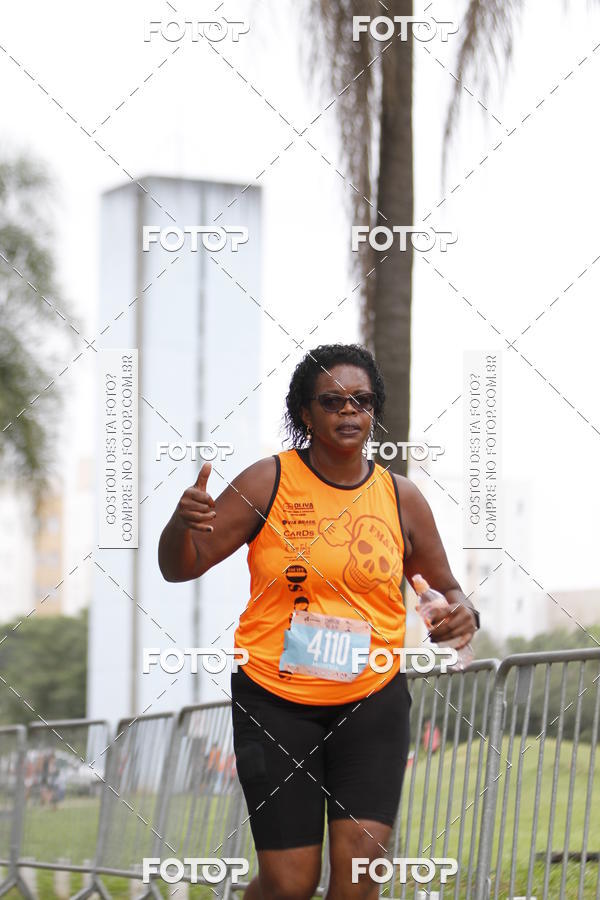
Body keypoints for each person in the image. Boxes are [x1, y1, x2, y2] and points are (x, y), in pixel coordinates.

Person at [158, 343, 479, 900]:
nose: (349, 412)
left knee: (359, 877)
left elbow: (448, 588)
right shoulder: (268, 481)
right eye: (333, 401)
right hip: (276, 699)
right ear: (305, 413)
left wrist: (461, 614)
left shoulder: (401, 498)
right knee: (290, 884)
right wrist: (179, 525)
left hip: (371, 697)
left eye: (362, 400)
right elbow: (180, 567)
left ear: (375, 411)